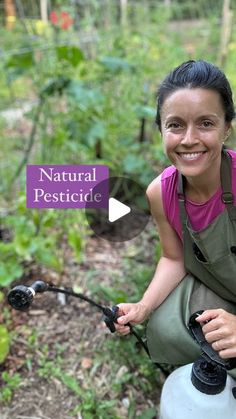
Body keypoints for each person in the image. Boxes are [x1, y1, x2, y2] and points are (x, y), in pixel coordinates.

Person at [116, 60, 236, 372]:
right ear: (161, 130)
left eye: (206, 124)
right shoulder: (161, 192)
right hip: (224, 287)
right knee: (165, 327)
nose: (188, 139)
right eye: (176, 125)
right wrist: (143, 306)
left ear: (227, 128)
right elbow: (174, 258)